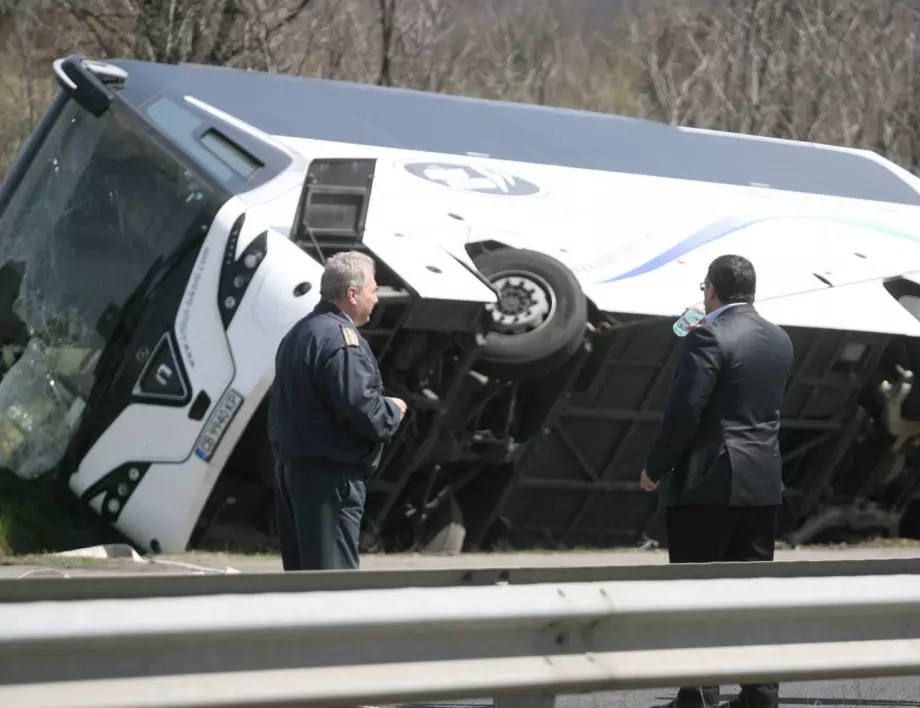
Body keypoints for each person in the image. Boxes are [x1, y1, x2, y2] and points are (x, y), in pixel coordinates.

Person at [640, 254, 794, 708]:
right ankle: (760, 693)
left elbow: (685, 410)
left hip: (708, 480)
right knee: (752, 592)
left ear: (711, 289)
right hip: (763, 478)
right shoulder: (780, 338)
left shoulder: (706, 334)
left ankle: (700, 691)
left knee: (697, 591)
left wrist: (656, 466)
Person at [267, 250, 407, 571]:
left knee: (305, 578)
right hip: (329, 480)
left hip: (295, 472)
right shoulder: (342, 341)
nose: (377, 298)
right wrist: (393, 410)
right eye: (373, 290)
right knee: (333, 582)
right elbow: (359, 406)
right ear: (352, 294)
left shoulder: (300, 333)